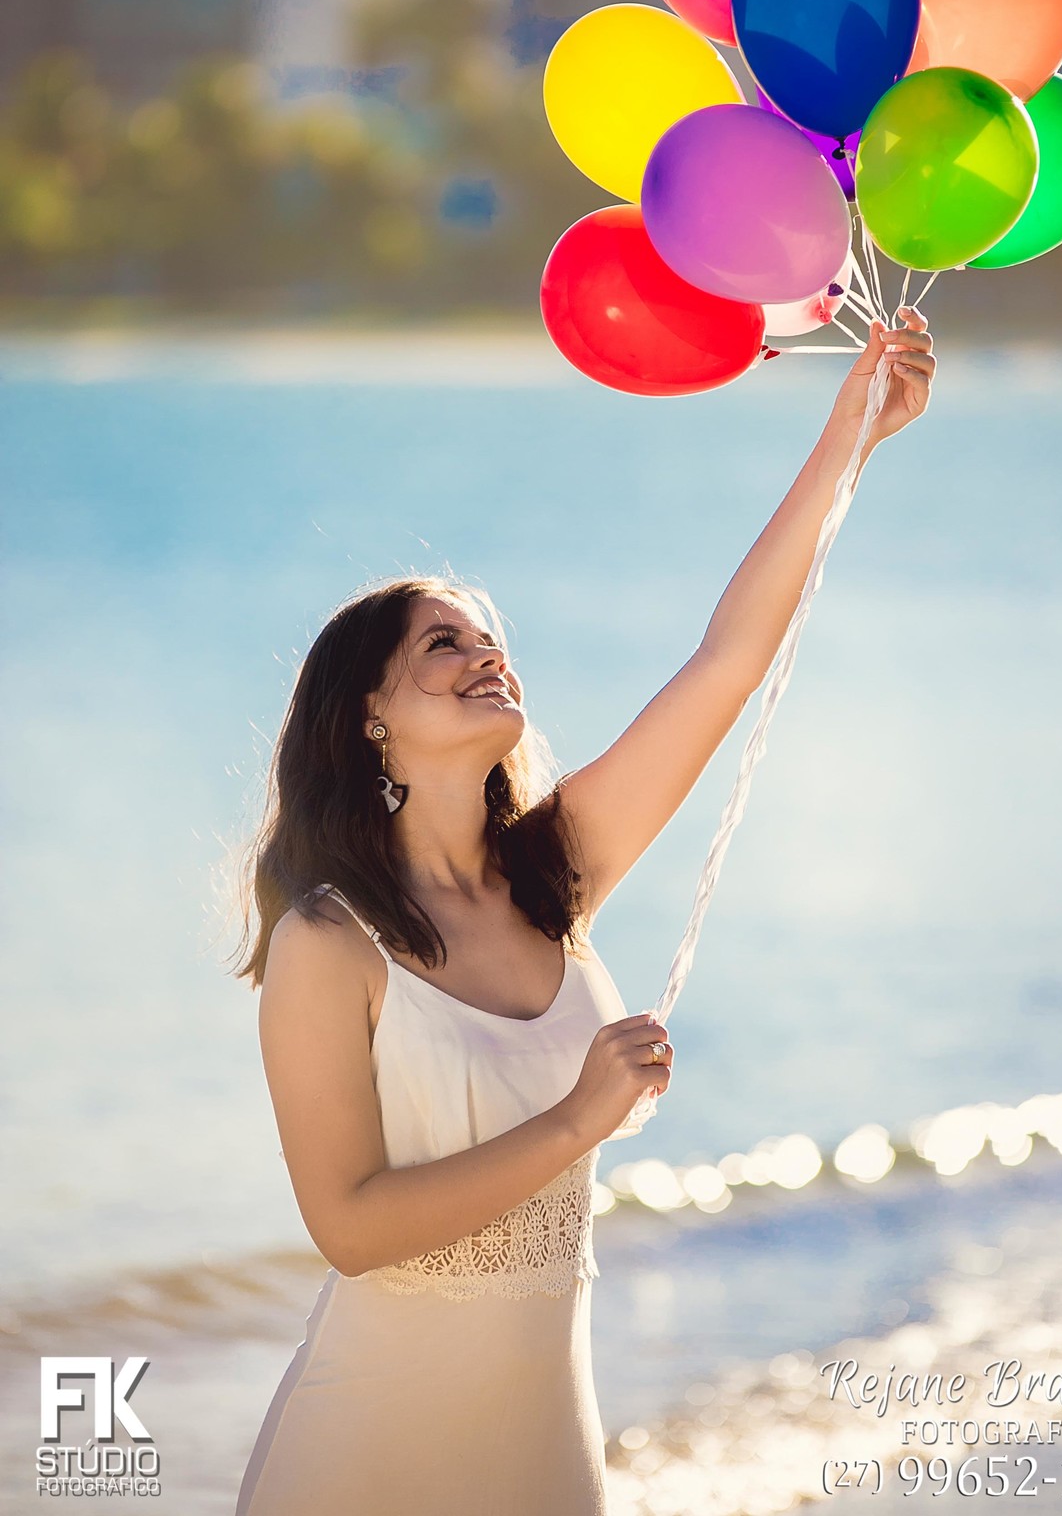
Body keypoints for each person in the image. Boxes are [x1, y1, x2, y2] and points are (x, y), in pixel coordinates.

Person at [232, 313, 935, 1515]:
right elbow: (349, 1229)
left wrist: (852, 436)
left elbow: (725, 663)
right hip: (366, 1453)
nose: (482, 655)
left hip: (547, 1446)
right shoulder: (327, 942)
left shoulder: (552, 874)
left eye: (489, 639)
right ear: (367, 719)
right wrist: (578, 1119)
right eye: (439, 645)